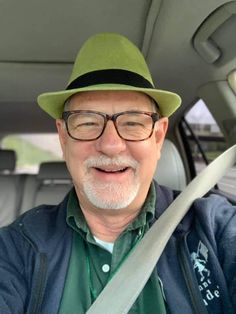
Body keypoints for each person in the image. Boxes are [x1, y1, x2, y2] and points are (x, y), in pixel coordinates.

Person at [0, 33, 235, 314]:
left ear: (158, 137)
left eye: (133, 122)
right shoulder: (15, 246)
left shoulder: (215, 227)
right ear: (63, 138)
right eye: (87, 122)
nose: (111, 145)